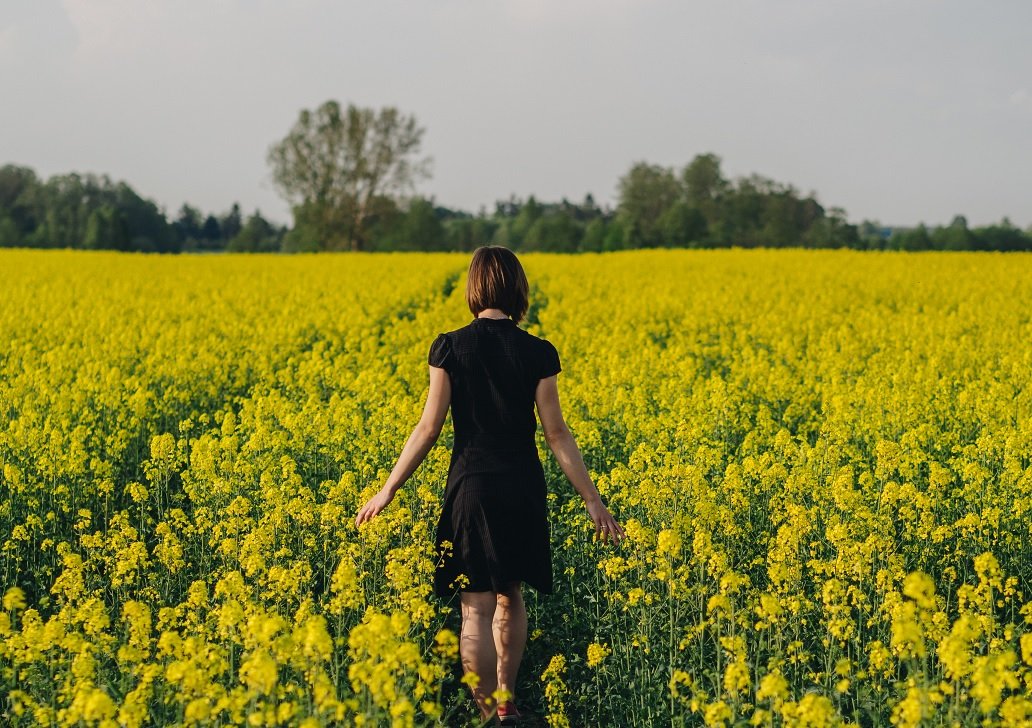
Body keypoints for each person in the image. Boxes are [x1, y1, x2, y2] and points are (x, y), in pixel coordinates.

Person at [355, 245, 625, 725]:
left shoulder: (450, 347)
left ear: (474, 289)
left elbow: (429, 428)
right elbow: (557, 433)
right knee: (510, 595)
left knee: (474, 606)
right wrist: (593, 501)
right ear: (518, 289)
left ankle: (484, 713)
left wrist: (389, 488)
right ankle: (506, 702)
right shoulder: (538, 352)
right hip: (521, 483)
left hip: (470, 485)